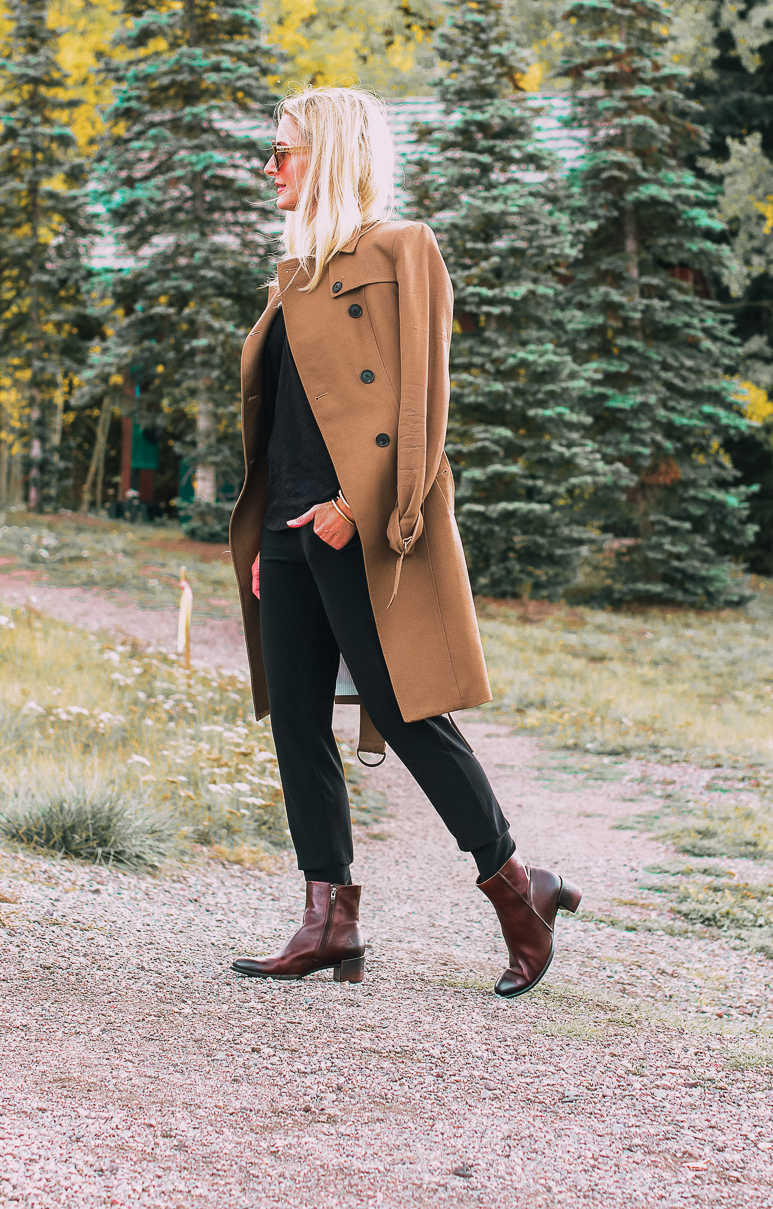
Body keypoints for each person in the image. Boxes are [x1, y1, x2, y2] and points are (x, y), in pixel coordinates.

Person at [227, 86, 580, 997]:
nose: (272, 167)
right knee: (299, 721)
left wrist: (355, 502)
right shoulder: (293, 272)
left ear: (333, 153)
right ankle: (328, 916)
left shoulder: (401, 251)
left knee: (410, 711)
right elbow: (285, 421)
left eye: (284, 151)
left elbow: (419, 402)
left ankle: (515, 886)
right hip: (288, 528)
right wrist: (271, 530)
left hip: (360, 525)